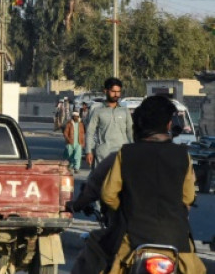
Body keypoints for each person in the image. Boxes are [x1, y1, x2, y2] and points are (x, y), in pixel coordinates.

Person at [100, 95, 205, 274]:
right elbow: (188, 197)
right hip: (176, 242)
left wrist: (126, 209)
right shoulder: (182, 155)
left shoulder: (126, 154)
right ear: (169, 125)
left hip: (132, 241)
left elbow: (108, 195)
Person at [85, 77, 132, 168]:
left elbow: (130, 131)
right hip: (103, 155)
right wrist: (88, 151)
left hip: (121, 154)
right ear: (105, 91)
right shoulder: (97, 111)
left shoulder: (124, 111)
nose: (116, 94)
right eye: (113, 91)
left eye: (118, 92)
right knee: (102, 181)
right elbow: (90, 132)